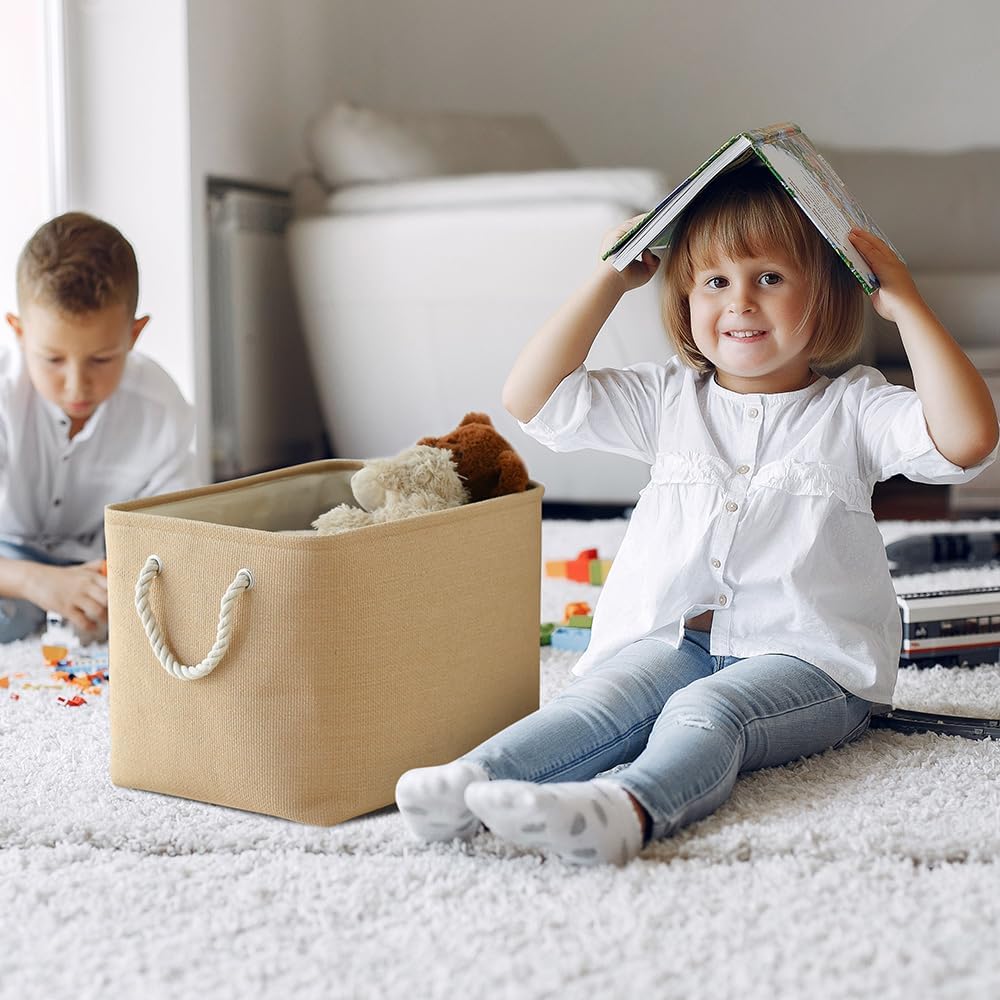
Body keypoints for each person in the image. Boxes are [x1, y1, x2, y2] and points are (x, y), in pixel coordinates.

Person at [394, 161, 999, 866]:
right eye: (714, 282)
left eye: (768, 278)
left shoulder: (854, 408)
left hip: (812, 663)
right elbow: (533, 397)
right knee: (600, 701)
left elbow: (968, 438)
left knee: (705, 712)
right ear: (684, 301)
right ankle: (472, 781)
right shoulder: (667, 398)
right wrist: (608, 281)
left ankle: (627, 809)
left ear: (829, 294)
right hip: (674, 641)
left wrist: (908, 306)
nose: (740, 302)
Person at [0, 212, 195, 643]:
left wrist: (119, 579)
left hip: (104, 559)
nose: (77, 385)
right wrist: (37, 582)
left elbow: (174, 534)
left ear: (133, 335)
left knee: (171, 612)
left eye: (102, 359)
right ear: (19, 333)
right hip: (8, 559)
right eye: (52, 359)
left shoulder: (161, 410)